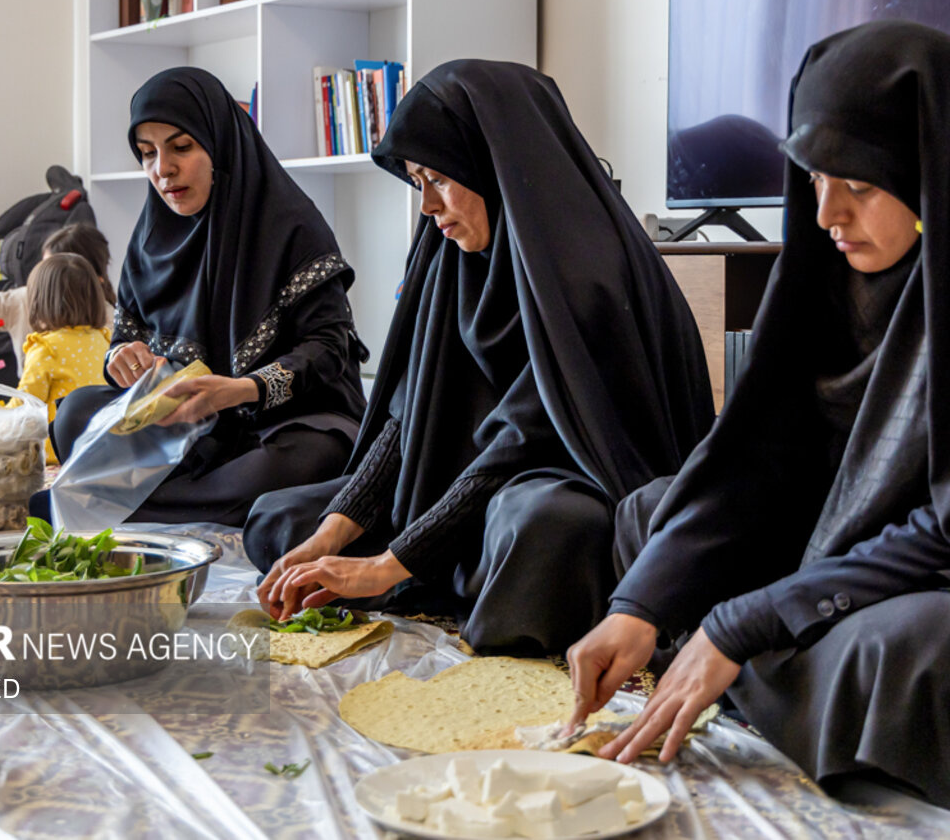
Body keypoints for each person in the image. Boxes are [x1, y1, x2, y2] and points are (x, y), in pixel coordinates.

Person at [566, 20, 950, 819]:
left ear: (932, 170)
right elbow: (760, 459)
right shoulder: (836, 266)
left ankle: (764, 674)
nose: (825, 215)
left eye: (859, 185)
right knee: (653, 516)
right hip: (862, 540)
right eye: (814, 177)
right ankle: (766, 674)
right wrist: (637, 606)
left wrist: (745, 621)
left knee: (904, 654)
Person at [245, 60, 715, 656]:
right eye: (417, 182)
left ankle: (439, 577)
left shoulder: (588, 273)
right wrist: (332, 532)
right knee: (280, 519)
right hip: (456, 484)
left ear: (491, 166)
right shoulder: (451, 262)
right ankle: (434, 571)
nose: (426, 206)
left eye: (438, 179)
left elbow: (523, 443)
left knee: (540, 528)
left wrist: (386, 565)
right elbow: (406, 420)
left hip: (562, 478)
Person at [47, 66, 367, 526]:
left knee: (307, 460)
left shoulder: (293, 226)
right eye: (147, 153)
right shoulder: (151, 236)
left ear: (220, 143)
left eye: (181, 147)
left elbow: (329, 349)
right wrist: (123, 358)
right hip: (190, 430)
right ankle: (189, 504)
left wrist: (242, 389)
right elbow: (127, 333)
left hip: (282, 422)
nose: (163, 169)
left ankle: (125, 503)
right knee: (74, 416)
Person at [0, 222, 116, 372]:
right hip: (31, 395)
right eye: (44, 268)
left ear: (95, 279)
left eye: (60, 275)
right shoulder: (23, 299)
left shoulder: (109, 320)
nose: (46, 281)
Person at [13, 253, 112, 464]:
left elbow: (24, 405)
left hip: (57, 456)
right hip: (100, 451)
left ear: (38, 302)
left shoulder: (47, 348)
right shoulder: (104, 340)